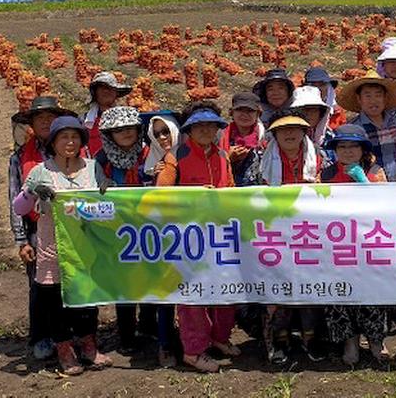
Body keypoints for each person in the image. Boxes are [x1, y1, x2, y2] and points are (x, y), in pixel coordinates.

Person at [12, 116, 113, 376]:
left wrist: (108, 190)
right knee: (55, 302)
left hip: (87, 247)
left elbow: (108, 208)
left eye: (75, 137)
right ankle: (65, 350)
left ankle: (88, 345)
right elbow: (19, 208)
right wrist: (31, 191)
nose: (70, 142)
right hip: (53, 248)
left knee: (87, 299)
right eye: (63, 137)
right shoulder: (41, 172)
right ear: (54, 142)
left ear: (81, 140)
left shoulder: (92, 168)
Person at [157, 103, 238, 372]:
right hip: (188, 238)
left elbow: (232, 190)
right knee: (193, 296)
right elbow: (161, 195)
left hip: (220, 234)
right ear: (189, 129)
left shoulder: (223, 156)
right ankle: (193, 351)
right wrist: (193, 196)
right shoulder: (175, 157)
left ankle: (219, 337)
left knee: (224, 290)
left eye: (211, 125)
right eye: (200, 125)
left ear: (217, 129)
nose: (206, 129)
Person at [93, 106, 165, 360]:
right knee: (125, 283)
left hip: (149, 227)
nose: (125, 134)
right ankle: (126, 334)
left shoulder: (150, 154)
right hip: (118, 231)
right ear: (109, 134)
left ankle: (148, 324)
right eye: (118, 130)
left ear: (138, 130)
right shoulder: (101, 160)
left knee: (151, 277)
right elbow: (94, 192)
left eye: (130, 129)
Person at [7, 96, 77, 360]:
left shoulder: (72, 151)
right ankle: (40, 337)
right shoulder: (18, 158)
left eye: (51, 117)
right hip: (38, 231)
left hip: (71, 228)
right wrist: (22, 240)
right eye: (40, 118)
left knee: (69, 282)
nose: (46, 121)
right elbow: (14, 199)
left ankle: (68, 337)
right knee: (39, 287)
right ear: (32, 124)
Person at [252, 115, 321, 363]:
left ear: (304, 133)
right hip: (273, 232)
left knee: (309, 289)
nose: (289, 134)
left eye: (295, 129)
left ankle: (309, 338)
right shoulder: (260, 161)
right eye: (283, 131)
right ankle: (277, 341)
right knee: (275, 290)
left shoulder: (319, 159)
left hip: (310, 233)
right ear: (274, 136)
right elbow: (249, 195)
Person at [320, 125, 390, 365]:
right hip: (337, 244)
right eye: (342, 146)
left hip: (369, 242)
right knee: (340, 292)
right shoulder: (326, 174)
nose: (347, 151)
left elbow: (387, 206)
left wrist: (363, 182)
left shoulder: (375, 171)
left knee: (373, 292)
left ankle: (376, 339)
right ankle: (349, 341)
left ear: (362, 149)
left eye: (353, 146)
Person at [340, 70, 396, 181]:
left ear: (385, 98)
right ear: (359, 99)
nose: (373, 101)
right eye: (367, 96)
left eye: (378, 95)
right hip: (368, 186)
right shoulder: (354, 127)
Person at [83, 71, 132, 157]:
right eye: (101, 87)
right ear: (95, 93)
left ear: (116, 92)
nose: (106, 90)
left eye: (110, 87)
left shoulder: (128, 118)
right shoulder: (84, 121)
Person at [220, 92, 265, 186]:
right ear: (232, 113)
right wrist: (227, 158)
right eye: (240, 110)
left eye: (250, 110)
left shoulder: (266, 138)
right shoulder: (220, 137)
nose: (244, 115)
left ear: (258, 114)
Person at [288, 85, 332, 149]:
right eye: (304, 110)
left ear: (321, 113)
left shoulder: (330, 138)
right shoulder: (287, 137)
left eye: (314, 110)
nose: (309, 114)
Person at [142, 111, 181, 183]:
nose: (162, 137)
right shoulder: (144, 161)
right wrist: (154, 176)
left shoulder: (190, 155)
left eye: (166, 131)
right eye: (156, 135)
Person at [305, 66, 347, 130]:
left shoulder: (337, 113)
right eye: (313, 85)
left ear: (329, 88)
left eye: (322, 85)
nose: (318, 89)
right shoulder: (296, 112)